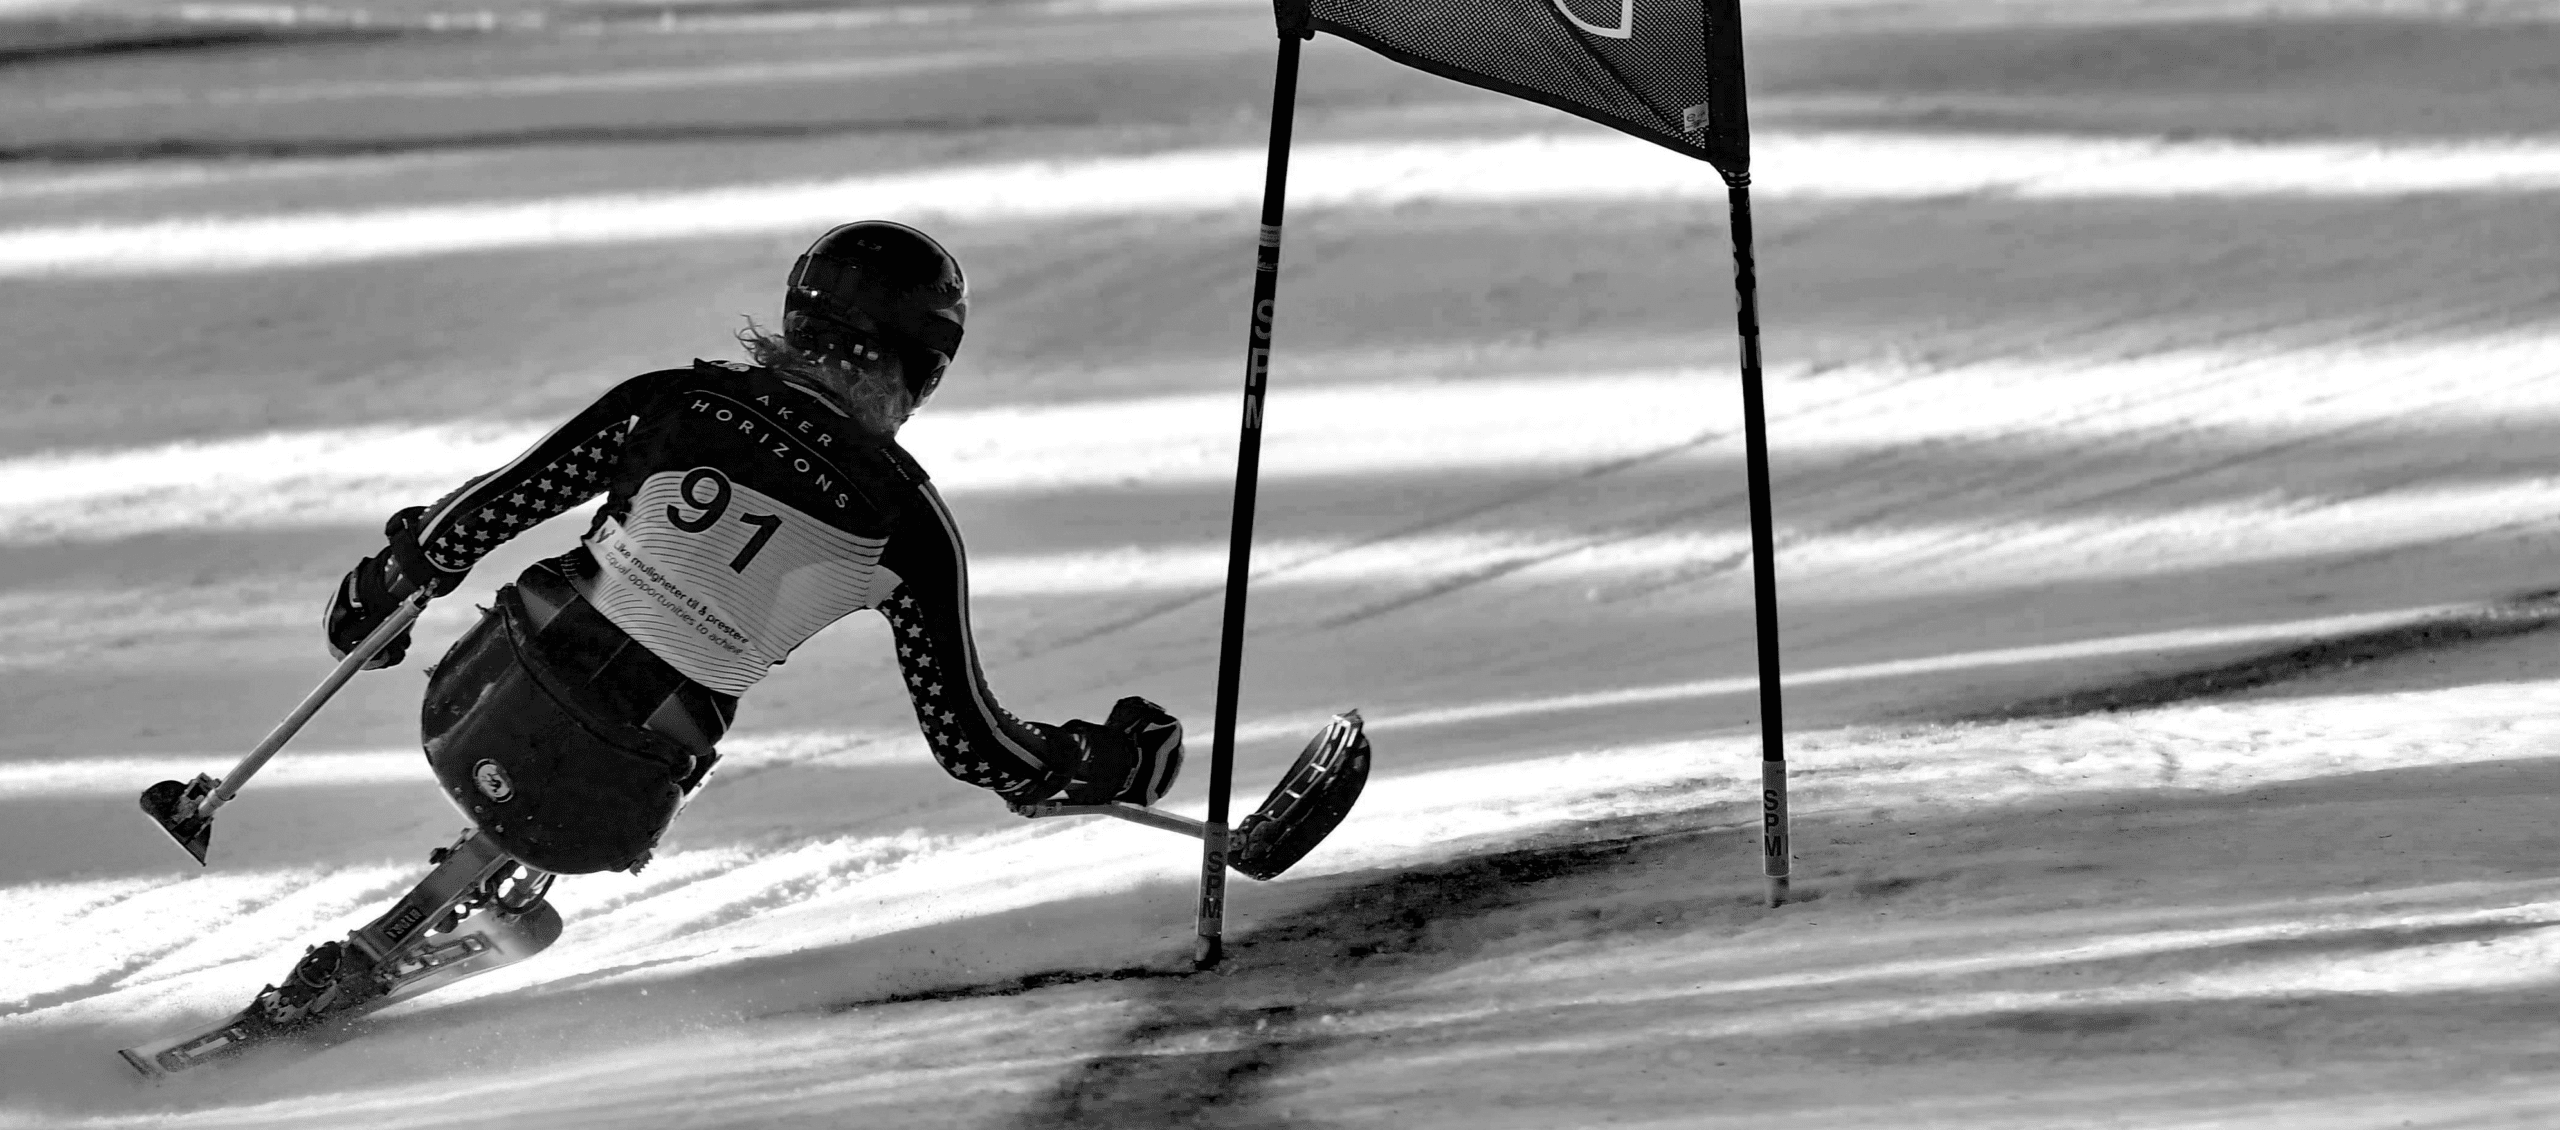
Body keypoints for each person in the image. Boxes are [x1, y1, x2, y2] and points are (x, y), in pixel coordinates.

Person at [269, 221, 1185, 1024]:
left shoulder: (674, 402)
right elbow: (972, 744)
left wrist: (383, 591)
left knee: (587, 620)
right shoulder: (907, 524)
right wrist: (1101, 763)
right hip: (615, 802)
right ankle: (504, 865)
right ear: (928, 362)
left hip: (466, 710)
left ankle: (496, 856)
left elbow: (481, 516)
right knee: (661, 694)